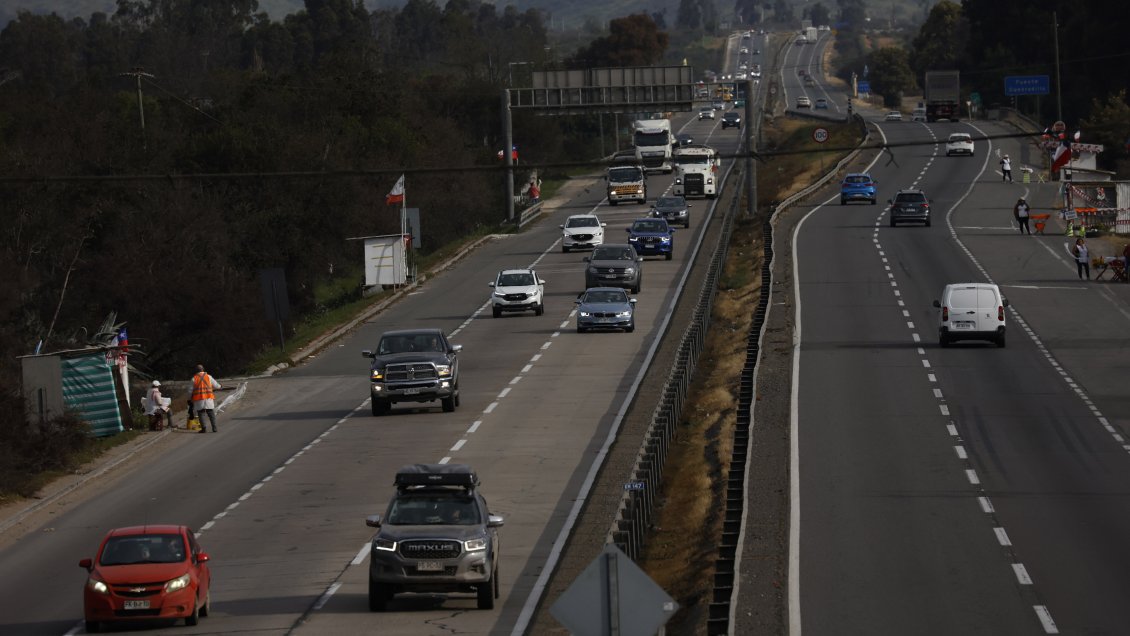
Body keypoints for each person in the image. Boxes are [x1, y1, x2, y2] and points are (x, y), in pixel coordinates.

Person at [190, 364, 222, 433]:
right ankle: (214, 428)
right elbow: (216, 386)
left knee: (201, 414)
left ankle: (204, 429)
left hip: (199, 400)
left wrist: (190, 399)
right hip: (208, 399)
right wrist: (220, 386)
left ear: (196, 370)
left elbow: (189, 391)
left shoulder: (194, 378)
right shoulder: (209, 377)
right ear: (203, 369)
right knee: (211, 414)